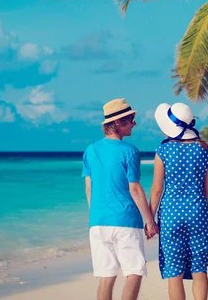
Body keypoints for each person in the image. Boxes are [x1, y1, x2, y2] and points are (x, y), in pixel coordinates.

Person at [82, 98, 159, 300]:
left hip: (98, 222)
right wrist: (149, 220)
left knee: (106, 276)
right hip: (125, 221)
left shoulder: (90, 150)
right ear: (117, 123)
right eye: (131, 119)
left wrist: (97, 215)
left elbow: (89, 189)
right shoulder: (130, 151)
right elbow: (134, 189)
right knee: (135, 271)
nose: (134, 124)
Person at [149, 102, 208, 300]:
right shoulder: (205, 150)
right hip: (199, 213)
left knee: (174, 271)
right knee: (199, 267)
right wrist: (206, 215)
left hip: (171, 216)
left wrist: (150, 219)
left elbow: (157, 189)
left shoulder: (163, 151)